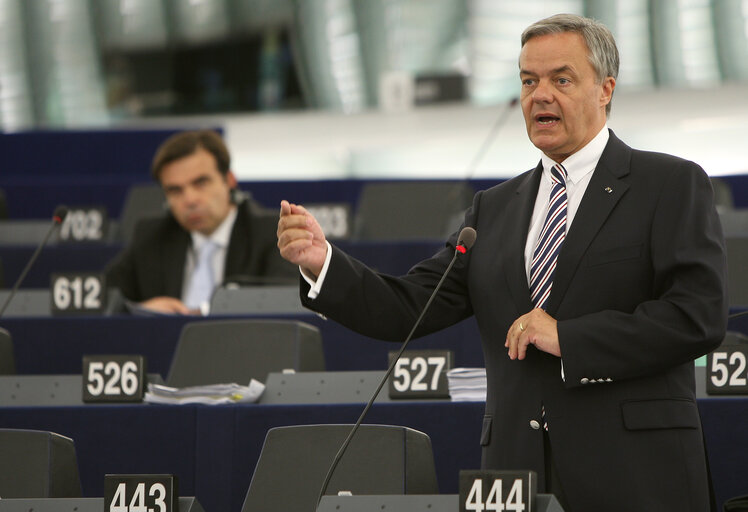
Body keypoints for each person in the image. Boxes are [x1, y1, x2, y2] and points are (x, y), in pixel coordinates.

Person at [277, 13, 727, 512]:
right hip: (518, 476)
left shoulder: (668, 184)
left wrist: (569, 337)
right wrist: (323, 264)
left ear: (605, 89)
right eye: (529, 81)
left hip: (635, 472)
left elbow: (696, 317)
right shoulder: (494, 208)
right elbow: (409, 307)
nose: (540, 96)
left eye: (561, 79)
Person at [107, 129, 296, 315]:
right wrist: (140, 310)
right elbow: (103, 296)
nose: (189, 200)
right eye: (175, 190)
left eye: (201, 183)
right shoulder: (151, 236)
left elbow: (285, 301)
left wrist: (204, 312)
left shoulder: (273, 232)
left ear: (229, 180)